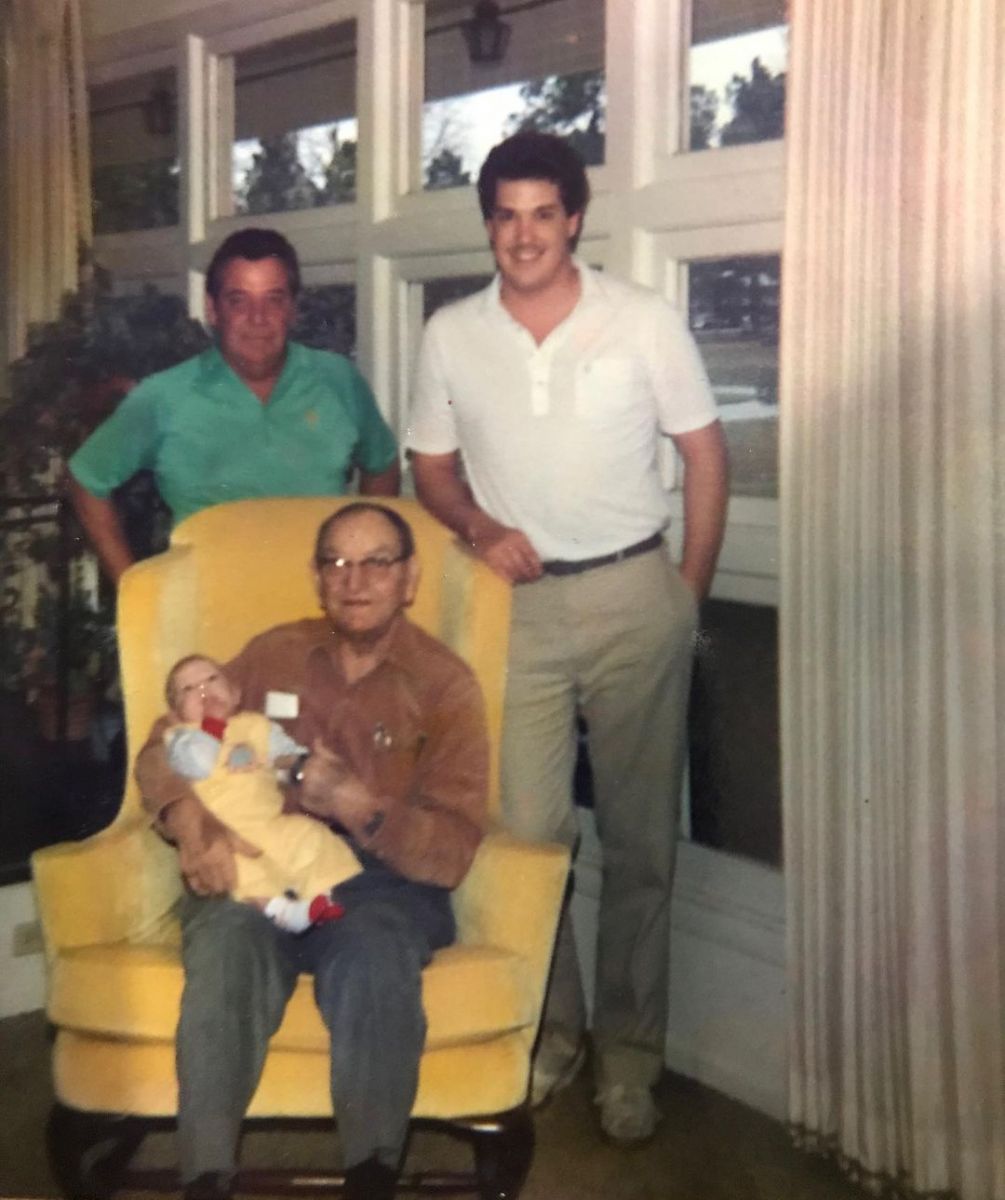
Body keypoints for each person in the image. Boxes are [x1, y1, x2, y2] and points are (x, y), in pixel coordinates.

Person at [407, 131, 729, 1146]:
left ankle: (629, 1063)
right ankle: (555, 1034)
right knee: (529, 839)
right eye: (506, 214)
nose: (524, 234)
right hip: (522, 611)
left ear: (575, 219)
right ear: (490, 224)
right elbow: (431, 469)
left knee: (639, 847)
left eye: (544, 212)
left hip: (637, 597)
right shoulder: (452, 333)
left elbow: (707, 459)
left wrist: (687, 596)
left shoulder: (641, 320)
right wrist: (478, 529)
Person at [135, 503, 489, 1200]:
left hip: (379, 886)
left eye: (376, 562)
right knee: (224, 947)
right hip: (255, 871)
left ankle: (371, 1174)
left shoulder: (446, 685)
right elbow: (162, 745)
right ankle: (204, 1179)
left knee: (374, 953)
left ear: (410, 579)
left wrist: (359, 807)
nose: (354, 580)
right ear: (316, 577)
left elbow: (451, 847)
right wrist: (189, 822)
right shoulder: (272, 656)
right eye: (335, 562)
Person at [67, 228, 400, 584]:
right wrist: (132, 588)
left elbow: (381, 464)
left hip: (321, 611)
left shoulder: (338, 380)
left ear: (292, 309)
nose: (258, 318)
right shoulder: (165, 396)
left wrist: (362, 561)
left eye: (274, 299)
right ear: (213, 310)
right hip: (208, 614)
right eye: (238, 300)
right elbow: (86, 480)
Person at [163, 654, 360, 932]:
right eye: (189, 689)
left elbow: (285, 753)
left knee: (309, 837)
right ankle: (280, 910)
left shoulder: (256, 726)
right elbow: (198, 763)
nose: (204, 691)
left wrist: (301, 763)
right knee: (240, 870)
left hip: (270, 821)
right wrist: (213, 726)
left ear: (235, 694)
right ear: (176, 713)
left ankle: (319, 898)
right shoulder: (182, 737)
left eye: (212, 680)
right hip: (226, 830)